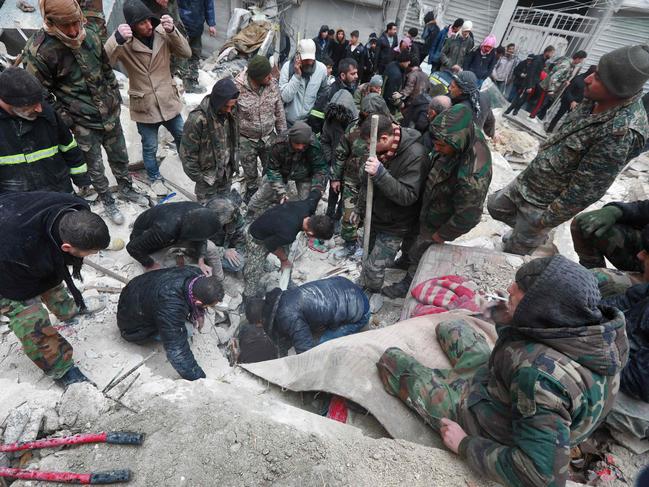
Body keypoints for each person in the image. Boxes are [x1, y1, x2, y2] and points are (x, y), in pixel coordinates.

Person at [377, 255, 628, 487]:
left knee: (392, 362)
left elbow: (542, 476)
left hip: (493, 425)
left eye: (518, 291)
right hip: (502, 388)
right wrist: (508, 313)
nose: (509, 289)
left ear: (539, 309)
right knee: (450, 326)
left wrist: (465, 445)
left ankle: (458, 408)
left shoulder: (538, 378)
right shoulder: (599, 335)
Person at [489, 44, 649, 255]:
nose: (588, 79)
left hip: (543, 204)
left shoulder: (621, 132)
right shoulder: (594, 98)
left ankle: (528, 238)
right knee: (495, 207)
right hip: (529, 181)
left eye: (599, 78)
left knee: (513, 251)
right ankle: (526, 233)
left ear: (617, 89)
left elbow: (586, 190)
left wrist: (546, 220)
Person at [23, 0, 149, 225]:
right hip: (81, 120)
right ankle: (106, 198)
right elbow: (41, 95)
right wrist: (68, 120)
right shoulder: (39, 50)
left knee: (120, 155)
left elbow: (105, 68)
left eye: (75, 23)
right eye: (66, 26)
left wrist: (114, 97)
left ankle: (126, 187)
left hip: (109, 111)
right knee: (95, 165)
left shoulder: (89, 33)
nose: (73, 31)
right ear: (51, 23)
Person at [0, 192, 110, 386]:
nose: (94, 254)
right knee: (28, 317)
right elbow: (18, 289)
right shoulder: (16, 253)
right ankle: (62, 369)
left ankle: (68, 311)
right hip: (7, 264)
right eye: (91, 252)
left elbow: (52, 268)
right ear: (66, 246)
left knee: (50, 272)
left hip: (16, 222)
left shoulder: (76, 208)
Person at [383, 104, 492, 298]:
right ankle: (406, 259)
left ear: (457, 144)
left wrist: (441, 235)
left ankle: (409, 282)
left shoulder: (472, 173)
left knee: (424, 248)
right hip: (433, 198)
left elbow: (468, 216)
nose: (436, 148)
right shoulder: (458, 131)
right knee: (413, 236)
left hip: (441, 217)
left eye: (441, 146)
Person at [105, 0, 191, 197]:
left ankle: (188, 167)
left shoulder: (162, 33)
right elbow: (105, 63)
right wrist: (115, 39)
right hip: (145, 104)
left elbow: (186, 52)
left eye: (149, 21)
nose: (148, 26)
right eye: (142, 23)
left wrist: (173, 31)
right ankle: (154, 177)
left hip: (167, 99)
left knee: (182, 136)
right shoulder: (124, 43)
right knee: (150, 147)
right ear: (133, 26)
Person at [353, 114, 428, 294]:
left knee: (374, 268)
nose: (368, 149)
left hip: (396, 223)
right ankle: (366, 283)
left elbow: (408, 196)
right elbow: (366, 183)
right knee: (367, 255)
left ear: (385, 138)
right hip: (376, 216)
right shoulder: (378, 150)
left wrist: (380, 174)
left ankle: (372, 292)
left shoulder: (415, 155)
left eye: (371, 145)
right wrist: (359, 207)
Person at [117, 267, 223, 380]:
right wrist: (199, 379)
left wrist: (199, 313)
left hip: (137, 290)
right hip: (131, 326)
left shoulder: (195, 273)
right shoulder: (170, 305)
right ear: (198, 302)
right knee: (187, 330)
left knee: (180, 322)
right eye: (207, 306)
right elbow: (177, 351)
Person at [0, 68, 89, 194]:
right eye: (32, 104)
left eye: (39, 101)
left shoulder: (47, 114)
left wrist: (81, 178)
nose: (40, 109)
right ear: (8, 103)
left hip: (60, 192)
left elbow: (68, 146)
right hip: (19, 204)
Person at [242, 190, 334, 299]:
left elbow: (316, 192)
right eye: (317, 238)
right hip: (257, 237)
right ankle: (248, 297)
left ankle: (286, 281)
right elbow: (269, 245)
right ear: (310, 233)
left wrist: (320, 190)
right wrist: (284, 260)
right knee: (253, 271)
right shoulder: (288, 234)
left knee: (287, 259)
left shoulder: (309, 205)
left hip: (276, 228)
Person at [332, 93, 392, 255]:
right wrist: (336, 177)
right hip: (352, 178)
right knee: (349, 212)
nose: (367, 117)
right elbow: (341, 153)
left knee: (373, 213)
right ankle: (350, 241)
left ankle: (371, 242)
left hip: (377, 180)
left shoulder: (390, 130)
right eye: (365, 114)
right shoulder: (353, 128)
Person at [252, 277, 370, 356]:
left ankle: (353, 328)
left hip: (361, 312)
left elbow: (306, 351)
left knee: (319, 347)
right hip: (346, 288)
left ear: (260, 320)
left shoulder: (287, 314)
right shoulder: (283, 298)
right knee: (309, 323)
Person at [601, 233, 649, 402]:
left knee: (551, 377)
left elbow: (640, 382)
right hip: (628, 353)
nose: (640, 256)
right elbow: (627, 300)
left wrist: (587, 350)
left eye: (647, 252)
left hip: (639, 391)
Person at [246, 122, 328, 217]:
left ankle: (305, 222)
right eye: (297, 144)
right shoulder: (278, 144)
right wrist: (281, 192)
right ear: (291, 140)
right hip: (281, 173)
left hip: (304, 175)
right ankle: (250, 213)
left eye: (304, 145)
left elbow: (321, 169)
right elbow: (272, 170)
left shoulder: (313, 145)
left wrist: (317, 189)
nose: (301, 147)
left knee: (309, 202)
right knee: (261, 195)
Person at [235, 55, 287, 203]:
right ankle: (251, 192)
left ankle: (267, 194)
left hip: (268, 136)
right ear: (256, 78)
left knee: (270, 169)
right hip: (246, 139)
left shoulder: (272, 85)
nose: (270, 77)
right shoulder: (238, 87)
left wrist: (283, 136)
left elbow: (279, 111)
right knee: (250, 172)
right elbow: (230, 115)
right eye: (266, 75)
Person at [126, 201, 226, 278]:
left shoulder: (200, 212)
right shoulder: (164, 231)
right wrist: (150, 264)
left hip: (177, 233)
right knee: (156, 273)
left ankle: (220, 279)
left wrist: (201, 261)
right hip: (155, 240)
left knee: (211, 248)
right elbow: (132, 248)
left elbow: (202, 238)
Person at [180, 78, 240, 202]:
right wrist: (200, 178)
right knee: (207, 217)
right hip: (207, 182)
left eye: (232, 106)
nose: (229, 110)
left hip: (226, 176)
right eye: (226, 106)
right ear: (218, 101)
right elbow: (187, 156)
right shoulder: (197, 119)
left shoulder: (231, 111)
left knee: (226, 212)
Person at [571, 199, 648, 276]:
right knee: (586, 224)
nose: (640, 256)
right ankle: (589, 277)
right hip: (642, 247)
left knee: (603, 282)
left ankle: (596, 283)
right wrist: (615, 211)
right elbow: (642, 208)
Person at [279, 39, 329, 126]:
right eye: (306, 59)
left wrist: (314, 117)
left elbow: (323, 95)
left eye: (311, 59)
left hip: (307, 124)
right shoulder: (287, 68)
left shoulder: (322, 69)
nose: (309, 62)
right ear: (298, 56)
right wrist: (297, 76)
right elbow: (285, 97)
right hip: (287, 122)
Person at [530, 50, 587, 120]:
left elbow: (561, 76)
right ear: (578, 58)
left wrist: (565, 80)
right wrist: (551, 90)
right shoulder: (566, 65)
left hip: (552, 88)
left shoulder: (570, 65)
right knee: (540, 104)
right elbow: (554, 77)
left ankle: (533, 117)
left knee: (542, 105)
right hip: (547, 87)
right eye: (581, 59)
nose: (581, 62)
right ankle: (532, 117)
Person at [308, 57, 358, 134]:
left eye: (356, 73)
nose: (356, 76)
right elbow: (316, 116)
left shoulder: (351, 87)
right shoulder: (332, 91)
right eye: (352, 74)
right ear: (343, 75)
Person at [504, 45, 555, 116]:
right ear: (547, 52)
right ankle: (508, 111)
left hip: (533, 83)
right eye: (552, 53)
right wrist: (529, 86)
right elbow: (531, 73)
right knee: (520, 99)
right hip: (528, 84)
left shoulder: (543, 61)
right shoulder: (538, 59)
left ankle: (515, 111)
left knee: (523, 99)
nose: (552, 55)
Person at [177, 0, 215, 93]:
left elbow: (209, 5)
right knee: (181, 56)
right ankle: (182, 83)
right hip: (180, 26)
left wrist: (211, 24)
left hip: (196, 25)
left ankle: (191, 83)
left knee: (195, 55)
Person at [204, 193, 247, 274]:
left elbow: (239, 237)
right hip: (209, 249)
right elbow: (198, 243)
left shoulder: (234, 216)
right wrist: (223, 252)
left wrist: (236, 251)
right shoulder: (200, 219)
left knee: (239, 263)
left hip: (224, 246)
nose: (230, 221)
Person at [547, 65, 596, 132]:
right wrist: (572, 101)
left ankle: (559, 133)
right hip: (567, 100)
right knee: (558, 116)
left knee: (568, 121)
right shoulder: (578, 79)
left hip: (577, 104)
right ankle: (549, 130)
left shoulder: (591, 83)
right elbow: (568, 90)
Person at [448, 71, 495, 138]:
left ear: (462, 90)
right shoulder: (484, 98)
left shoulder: (459, 109)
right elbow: (490, 120)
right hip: (475, 139)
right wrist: (491, 134)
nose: (449, 88)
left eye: (453, 87)